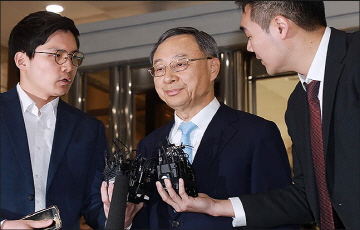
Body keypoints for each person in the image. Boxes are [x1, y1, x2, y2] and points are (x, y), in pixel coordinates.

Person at [155, 1, 360, 229]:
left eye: (250, 35)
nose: (249, 47)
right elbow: (306, 197)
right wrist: (215, 206)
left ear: (280, 27)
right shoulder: (299, 103)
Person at [127, 26, 294, 229]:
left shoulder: (256, 133)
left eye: (180, 64)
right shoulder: (149, 144)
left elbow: (279, 213)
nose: (168, 77)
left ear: (213, 68)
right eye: (160, 69)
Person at [0, 11, 108, 229]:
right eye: (57, 55)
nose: (68, 66)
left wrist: (120, 216)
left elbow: (93, 204)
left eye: (73, 57)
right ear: (22, 60)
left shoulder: (88, 128)